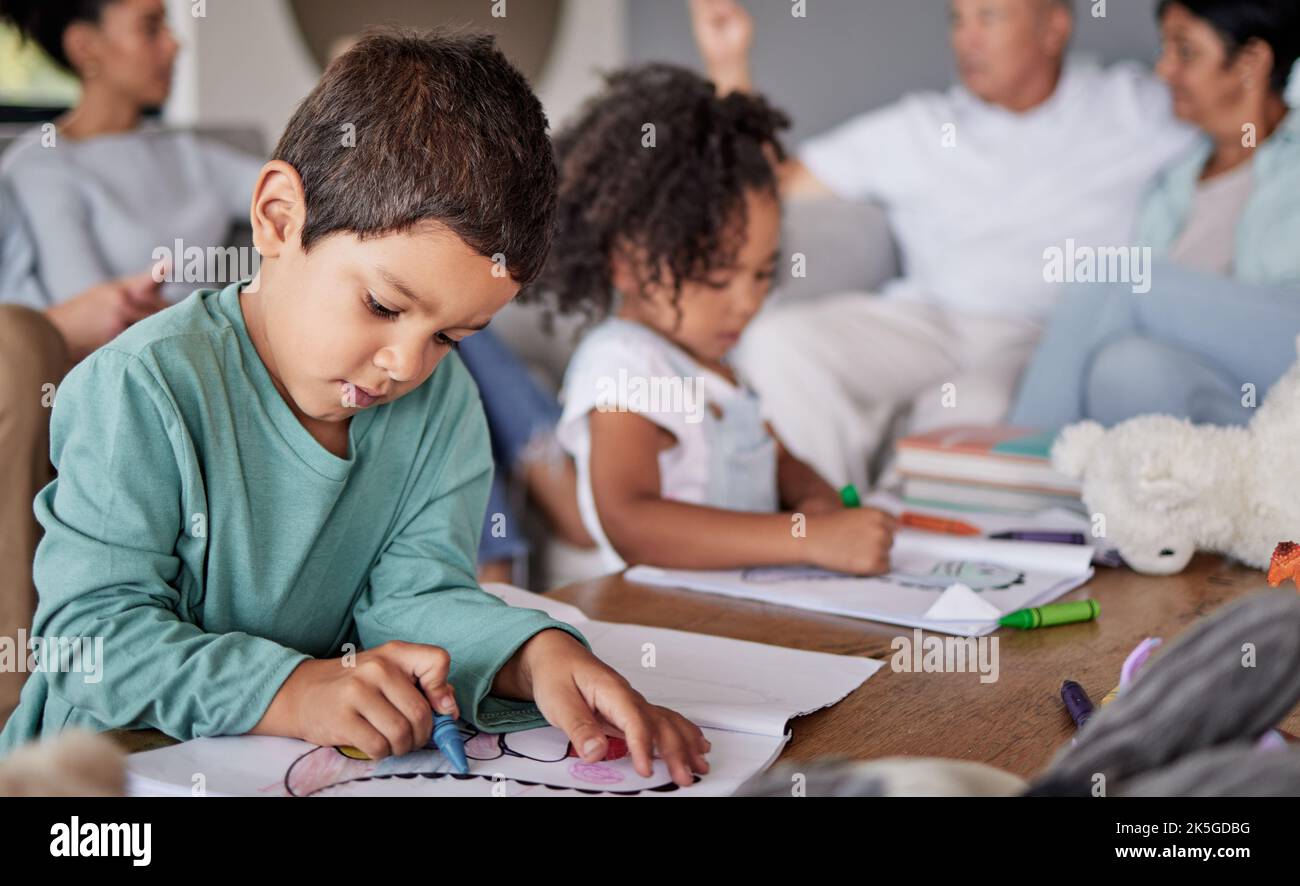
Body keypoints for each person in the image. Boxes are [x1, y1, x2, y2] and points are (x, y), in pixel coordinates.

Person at [0, 30, 709, 785]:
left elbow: (415, 597)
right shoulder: (140, 389)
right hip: (96, 777)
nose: (407, 363)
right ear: (277, 218)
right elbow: (96, 642)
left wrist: (534, 654)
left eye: (452, 335)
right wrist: (290, 690)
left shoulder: (443, 402)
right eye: (381, 304)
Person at [689, 0, 1195, 489]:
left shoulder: (1131, 107)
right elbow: (771, 181)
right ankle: (827, 521)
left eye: (989, 17)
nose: (966, 38)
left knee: (969, 407)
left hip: (1041, 335)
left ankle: (897, 535)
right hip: (928, 323)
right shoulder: (923, 126)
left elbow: (1247, 122)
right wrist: (728, 62)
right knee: (779, 343)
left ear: (1053, 29)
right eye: (957, 18)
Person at [546, 64, 895, 574]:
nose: (745, 302)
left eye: (761, 274)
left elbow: (782, 463)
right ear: (624, 262)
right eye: (717, 278)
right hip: (656, 619)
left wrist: (819, 506)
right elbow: (629, 521)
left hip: (735, 601)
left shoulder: (715, 363)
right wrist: (807, 541)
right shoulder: (622, 365)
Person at [1010, 0, 1300, 430]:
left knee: (1110, 276)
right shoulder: (1172, 178)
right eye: (1165, 49)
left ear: (1251, 62)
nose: (1164, 70)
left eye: (1185, 51)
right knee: (1122, 369)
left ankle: (1009, 464)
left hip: (1289, 340)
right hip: (1243, 395)